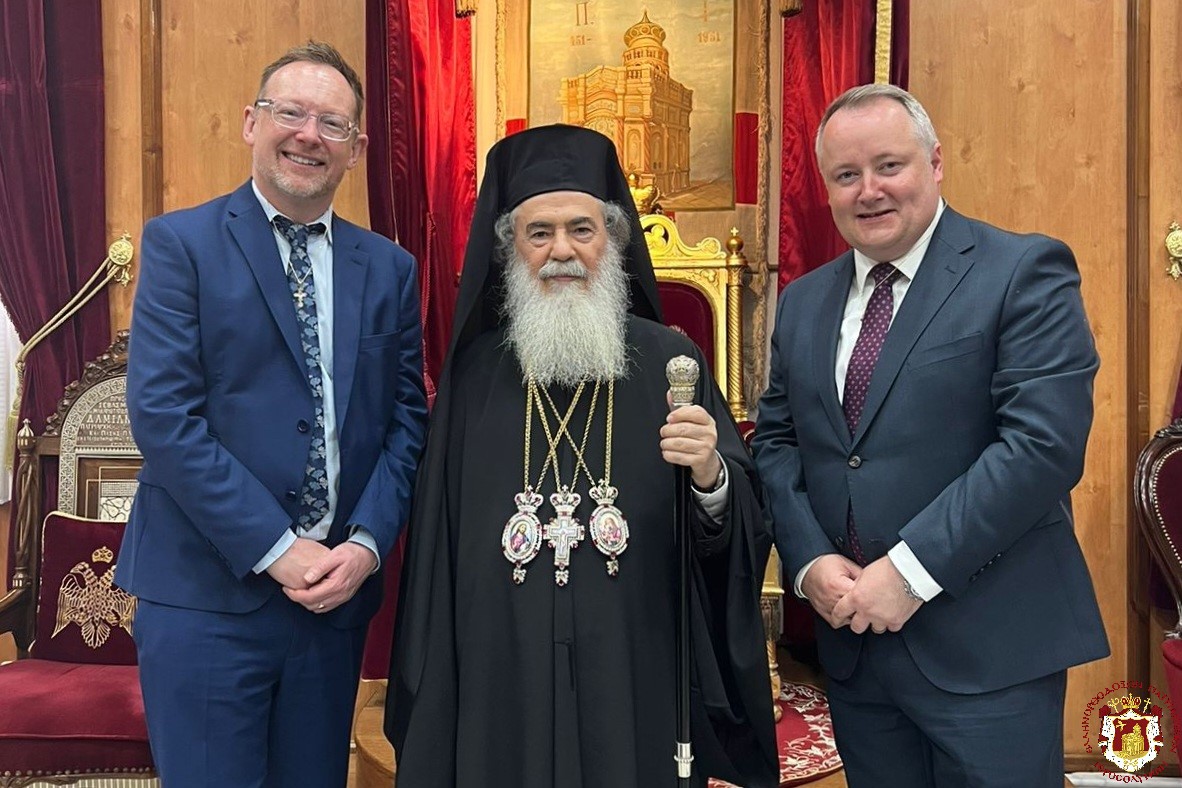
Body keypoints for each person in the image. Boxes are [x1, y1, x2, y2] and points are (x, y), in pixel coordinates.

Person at [385, 124, 778, 788]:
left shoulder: (672, 362)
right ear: (510, 247)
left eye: (581, 230)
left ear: (613, 241)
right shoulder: (475, 375)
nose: (560, 250)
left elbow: (734, 520)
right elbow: (437, 547)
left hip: (634, 656)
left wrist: (711, 475)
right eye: (539, 234)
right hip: (499, 665)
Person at [752, 83, 1109, 787]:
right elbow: (777, 442)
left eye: (889, 166)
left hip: (989, 647)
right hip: (856, 648)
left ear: (936, 162)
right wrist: (807, 561)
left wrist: (909, 573)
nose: (869, 191)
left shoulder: (1022, 271)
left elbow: (1040, 448)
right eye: (846, 176)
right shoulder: (802, 301)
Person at [115, 41, 427, 786]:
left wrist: (366, 546)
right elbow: (162, 415)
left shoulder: (388, 268)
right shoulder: (180, 244)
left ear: (355, 150)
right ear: (253, 123)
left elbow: (406, 421)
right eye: (291, 112)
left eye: (332, 124)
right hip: (207, 598)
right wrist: (276, 545)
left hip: (333, 603)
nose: (308, 135)